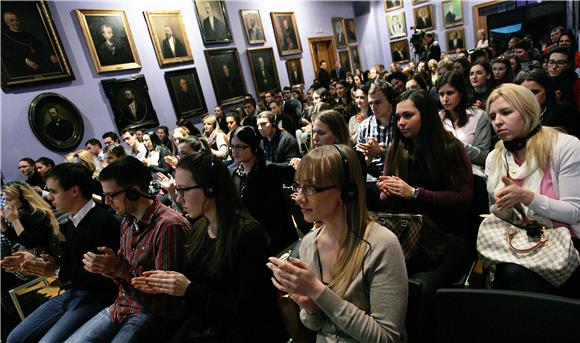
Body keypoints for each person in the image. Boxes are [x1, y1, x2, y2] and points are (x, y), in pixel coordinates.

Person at [131, 152, 287, 342]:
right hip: (211, 323)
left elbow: (249, 309)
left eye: (183, 190)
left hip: (245, 331)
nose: (179, 199)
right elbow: (197, 284)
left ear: (211, 188)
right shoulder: (199, 228)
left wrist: (188, 289)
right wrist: (166, 285)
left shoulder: (248, 234)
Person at [268, 144, 408, 342]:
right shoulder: (309, 243)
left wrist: (318, 291)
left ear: (345, 191)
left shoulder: (382, 245)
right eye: (298, 186)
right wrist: (311, 308)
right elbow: (314, 325)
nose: (299, 197)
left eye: (310, 188)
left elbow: (386, 338)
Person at [377, 89, 473, 340]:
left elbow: (463, 201)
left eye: (408, 115)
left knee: (421, 289)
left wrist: (415, 194)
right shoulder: (396, 147)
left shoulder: (450, 148)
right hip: (409, 233)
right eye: (398, 117)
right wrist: (389, 191)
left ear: (426, 116)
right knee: (382, 283)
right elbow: (385, 200)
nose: (400, 123)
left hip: (446, 234)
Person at [66, 156, 191, 342]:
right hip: (122, 304)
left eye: (111, 195)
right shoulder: (127, 220)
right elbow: (123, 274)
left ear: (133, 192)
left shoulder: (169, 225)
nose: (107, 202)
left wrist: (116, 268)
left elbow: (165, 292)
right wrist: (107, 268)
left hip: (152, 311)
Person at [2, 164, 120, 343]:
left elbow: (98, 278)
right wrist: (40, 262)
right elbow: (69, 261)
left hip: (98, 297)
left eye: (53, 191)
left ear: (74, 191)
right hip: (75, 291)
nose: (49, 197)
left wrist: (55, 270)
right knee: (15, 338)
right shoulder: (73, 220)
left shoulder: (101, 222)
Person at [485, 83, 580, 298]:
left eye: (506, 112)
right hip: (524, 242)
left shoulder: (564, 146)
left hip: (568, 248)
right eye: (492, 116)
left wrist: (528, 198)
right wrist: (501, 208)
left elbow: (575, 211)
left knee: (511, 275)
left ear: (528, 111)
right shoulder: (495, 157)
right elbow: (507, 217)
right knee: (504, 271)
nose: (498, 121)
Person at [229, 126, 297, 253]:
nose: (234, 151)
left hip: (275, 237)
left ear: (253, 146)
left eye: (240, 147)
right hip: (254, 237)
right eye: (232, 147)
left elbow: (276, 213)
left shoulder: (268, 170)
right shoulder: (235, 173)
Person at [437, 72, 492, 173]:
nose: (445, 99)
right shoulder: (438, 117)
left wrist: (455, 144)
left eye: (450, 93)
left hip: (471, 175)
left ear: (461, 93)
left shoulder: (479, 116)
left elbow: (484, 157)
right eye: (441, 94)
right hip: (442, 174)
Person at [515, 68, 580, 138]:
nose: (529, 97)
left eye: (535, 92)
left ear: (548, 91)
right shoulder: (514, 114)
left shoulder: (566, 111)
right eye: (523, 92)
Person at [1, 10, 59, 77]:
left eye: (17, 20)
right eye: (12, 20)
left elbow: (41, 46)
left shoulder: (27, 34)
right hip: (23, 66)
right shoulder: (5, 37)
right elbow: (8, 55)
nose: (16, 22)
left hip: (39, 61)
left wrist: (50, 55)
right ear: (7, 23)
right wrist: (26, 61)